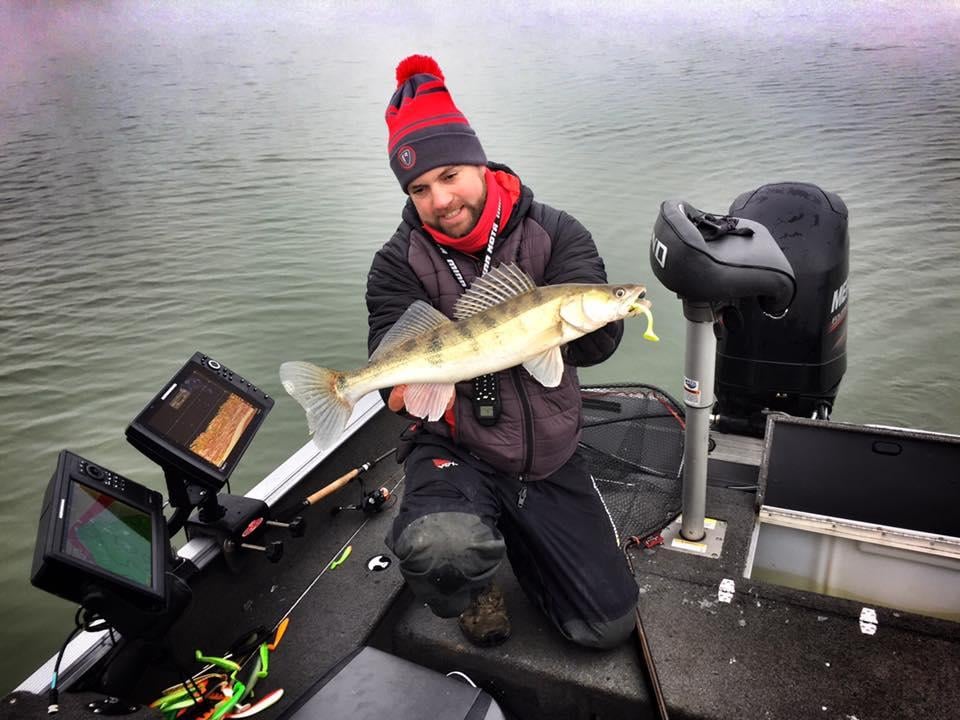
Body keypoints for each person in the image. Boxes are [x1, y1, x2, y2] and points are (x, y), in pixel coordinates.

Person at [365, 54, 638, 649]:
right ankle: (475, 581)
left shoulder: (555, 232)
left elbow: (603, 342)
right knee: (442, 550)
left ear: (480, 162)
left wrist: (591, 317)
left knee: (605, 626)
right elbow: (390, 367)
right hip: (455, 446)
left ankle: (528, 546)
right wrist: (393, 386)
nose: (439, 199)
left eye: (451, 175)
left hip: (550, 449)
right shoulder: (395, 264)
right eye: (419, 188)